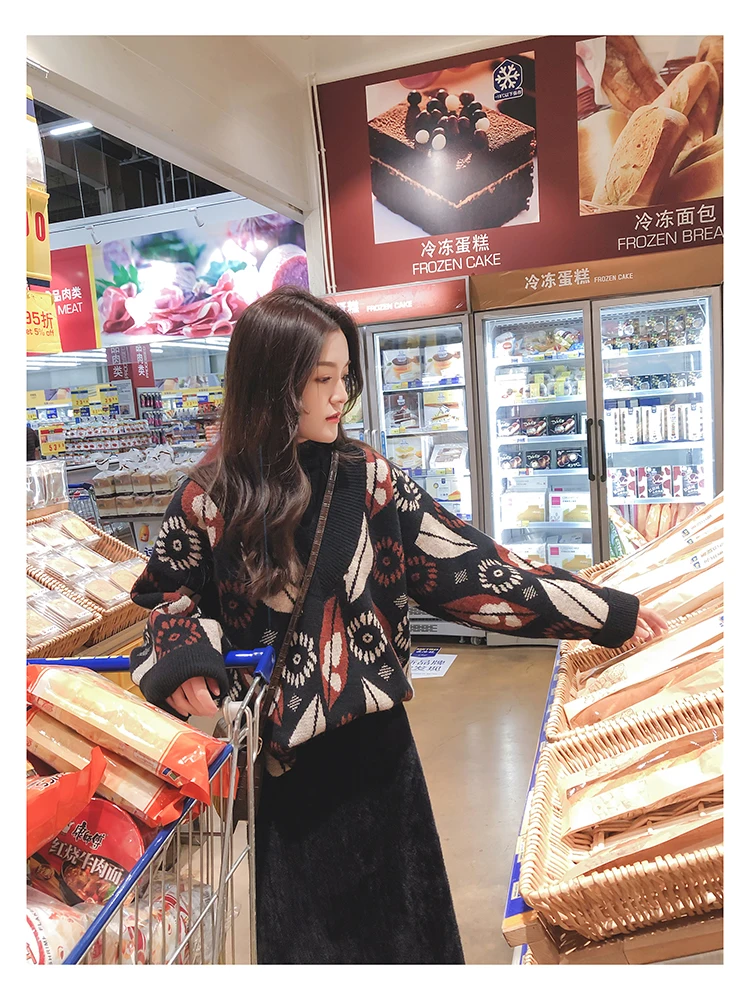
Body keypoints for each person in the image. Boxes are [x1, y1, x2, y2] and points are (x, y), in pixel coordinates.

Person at [129, 286, 666, 965]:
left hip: (378, 757)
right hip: (281, 774)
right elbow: (166, 600)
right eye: (319, 379)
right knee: (309, 950)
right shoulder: (209, 498)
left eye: (343, 377)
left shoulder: (370, 481)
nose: (340, 396)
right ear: (270, 384)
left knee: (407, 936)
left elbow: (474, 570)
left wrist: (609, 613)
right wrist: (185, 658)